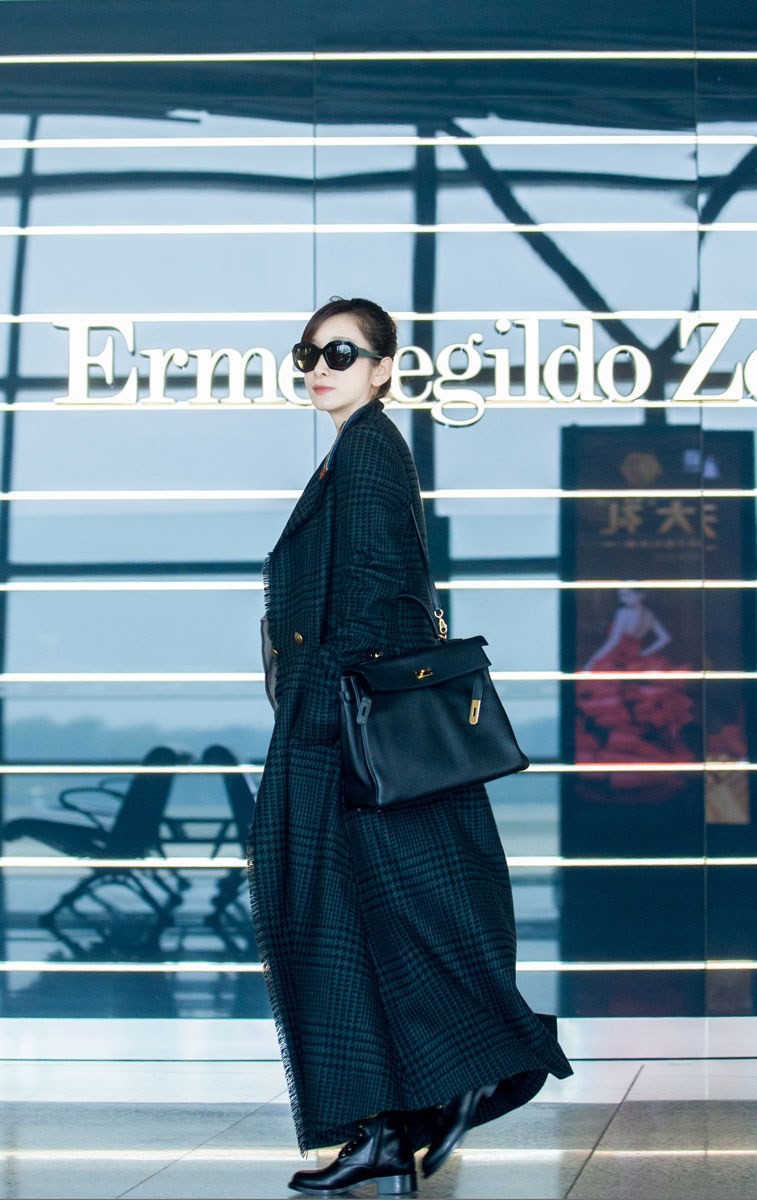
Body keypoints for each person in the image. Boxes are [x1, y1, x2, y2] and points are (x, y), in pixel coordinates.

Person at [248, 297, 572, 1196]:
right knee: (360, 922)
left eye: (341, 353)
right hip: (340, 724)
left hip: (338, 728)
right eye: (307, 354)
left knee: (341, 917)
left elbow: (373, 594)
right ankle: (391, 1125)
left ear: (384, 366)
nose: (320, 368)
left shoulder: (367, 453)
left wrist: (320, 703)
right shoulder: (356, 451)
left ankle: (448, 1086)